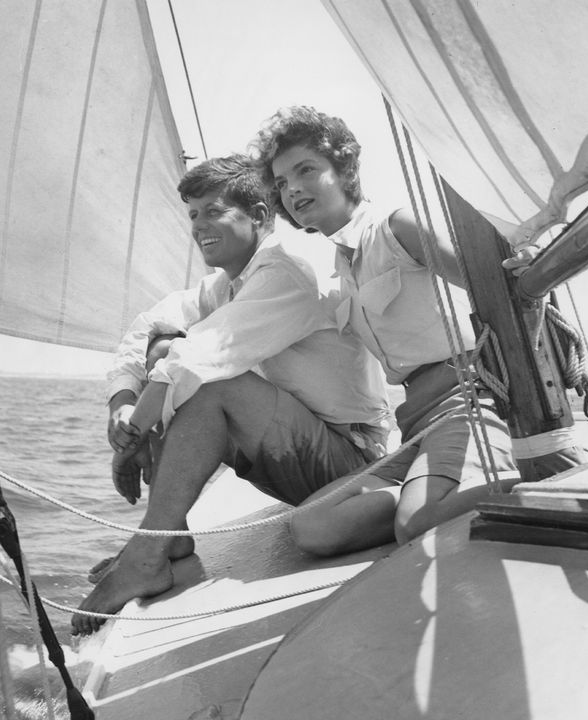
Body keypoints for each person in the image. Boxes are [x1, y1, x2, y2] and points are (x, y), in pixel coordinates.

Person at [76, 155, 391, 635]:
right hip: (301, 458)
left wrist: (134, 435)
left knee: (209, 380)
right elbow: (146, 332)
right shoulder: (225, 285)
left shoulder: (287, 271)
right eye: (193, 215)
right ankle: (169, 537)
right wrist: (122, 402)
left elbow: (201, 356)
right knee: (164, 344)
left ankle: (146, 556)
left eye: (213, 211)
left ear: (259, 217)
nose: (199, 225)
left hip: (351, 462)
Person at [252, 106, 521, 546]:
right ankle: (428, 492)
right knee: (311, 527)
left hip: (467, 403)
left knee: (416, 524)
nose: (292, 188)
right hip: (416, 421)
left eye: (306, 170)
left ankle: (513, 478)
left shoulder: (397, 227)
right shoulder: (341, 264)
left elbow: (498, 282)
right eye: (281, 182)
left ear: (344, 169)